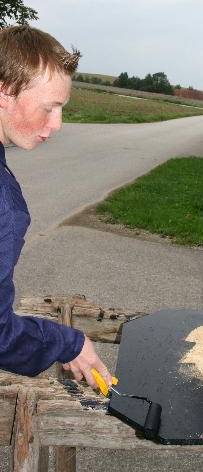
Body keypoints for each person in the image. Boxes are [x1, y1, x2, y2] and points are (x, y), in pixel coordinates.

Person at [0, 25, 112, 390]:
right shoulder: (5, 207)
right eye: (50, 108)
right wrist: (69, 343)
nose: (58, 124)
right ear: (5, 89)